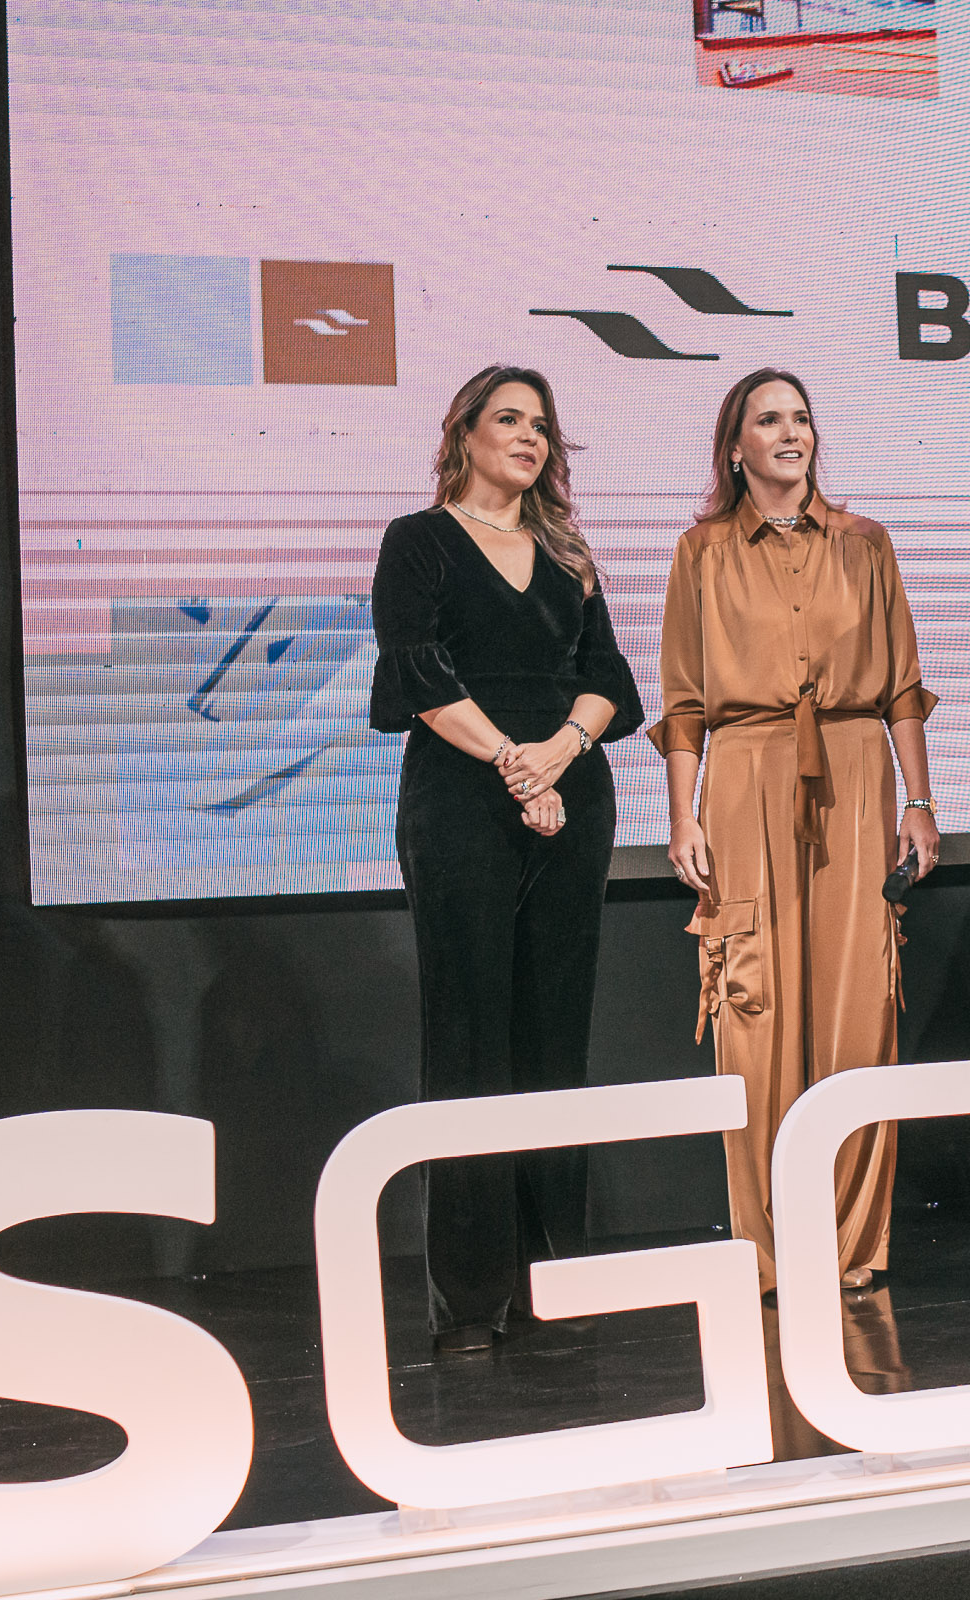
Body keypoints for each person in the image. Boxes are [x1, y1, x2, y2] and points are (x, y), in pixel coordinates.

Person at [368, 364, 644, 1355]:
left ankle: (552, 1276)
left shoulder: (569, 553)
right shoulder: (420, 540)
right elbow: (418, 672)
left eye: (541, 424)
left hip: (571, 799)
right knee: (470, 1037)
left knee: (553, 1039)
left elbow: (608, 678)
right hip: (461, 802)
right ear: (467, 434)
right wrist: (510, 764)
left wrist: (558, 754)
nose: (529, 437)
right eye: (510, 419)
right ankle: (473, 1296)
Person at [653, 368, 939, 1294]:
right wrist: (682, 814)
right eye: (769, 419)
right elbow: (684, 702)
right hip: (745, 778)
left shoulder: (866, 543)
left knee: (858, 1007)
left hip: (855, 775)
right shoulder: (701, 551)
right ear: (735, 446)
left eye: (802, 418)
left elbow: (903, 688)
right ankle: (771, 1250)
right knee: (754, 1007)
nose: (791, 433)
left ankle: (852, 1244)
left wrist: (920, 801)